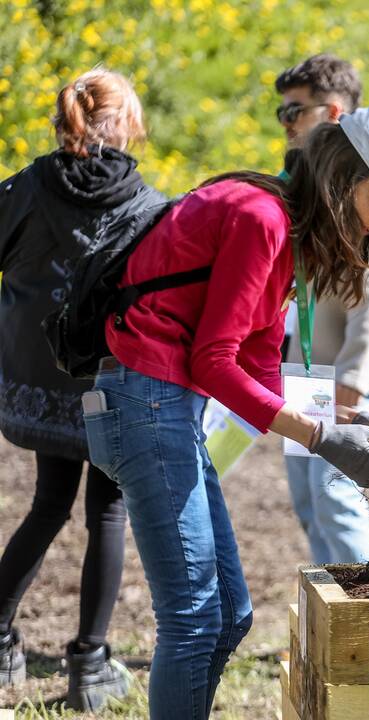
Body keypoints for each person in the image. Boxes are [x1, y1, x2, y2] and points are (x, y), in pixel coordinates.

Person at [84, 105, 369, 719]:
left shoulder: (287, 235)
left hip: (166, 408)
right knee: (193, 620)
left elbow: (261, 366)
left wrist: (342, 422)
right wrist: (320, 438)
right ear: (345, 175)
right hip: (143, 402)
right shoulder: (259, 217)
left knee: (230, 618)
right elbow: (214, 363)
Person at [0, 68, 163, 710]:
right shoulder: (149, 204)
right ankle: (90, 667)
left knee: (47, 505)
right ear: (127, 124)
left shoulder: (26, 188)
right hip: (110, 376)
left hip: (39, 379)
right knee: (108, 513)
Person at [276, 54, 369, 563]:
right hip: (306, 374)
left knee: (338, 499)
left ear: (331, 112)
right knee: (310, 504)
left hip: (347, 379)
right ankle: (332, 624)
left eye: (295, 111)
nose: (286, 123)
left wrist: (349, 389)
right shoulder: (311, 186)